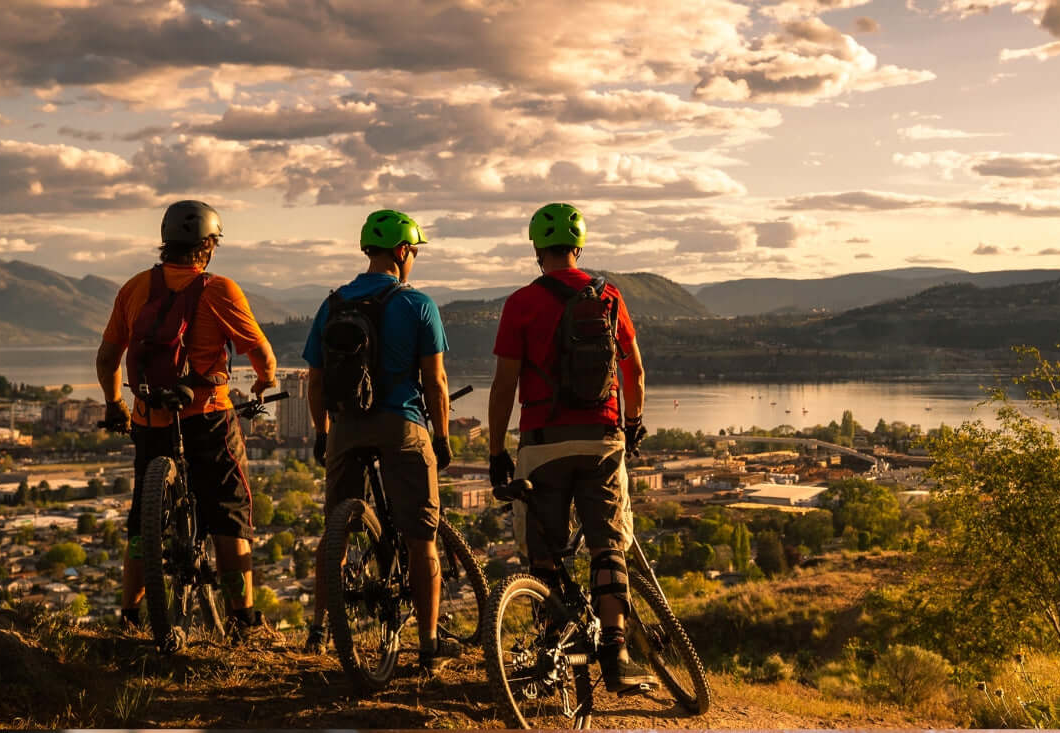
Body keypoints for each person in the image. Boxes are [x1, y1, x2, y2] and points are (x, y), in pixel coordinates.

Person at [487, 203, 655, 693]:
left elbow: (503, 386)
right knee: (607, 544)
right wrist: (634, 423)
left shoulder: (521, 302)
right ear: (579, 246)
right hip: (602, 439)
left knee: (544, 551)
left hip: (541, 443)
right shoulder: (609, 298)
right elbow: (635, 373)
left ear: (537, 249)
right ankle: (617, 655)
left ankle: (550, 654)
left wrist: (498, 449)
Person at [95, 200, 278, 642]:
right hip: (208, 419)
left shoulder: (135, 288)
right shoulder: (220, 290)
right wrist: (263, 383)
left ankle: (129, 615)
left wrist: (114, 404)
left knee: (144, 519)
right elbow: (263, 356)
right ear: (208, 247)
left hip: (150, 418)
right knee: (229, 515)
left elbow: (107, 358)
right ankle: (244, 620)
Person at [301, 209, 458, 675]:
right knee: (421, 539)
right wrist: (443, 437)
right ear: (403, 252)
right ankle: (428, 646)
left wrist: (322, 433)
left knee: (336, 531)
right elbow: (436, 380)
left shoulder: (333, 305)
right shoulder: (418, 305)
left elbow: (315, 380)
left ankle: (317, 630)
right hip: (402, 425)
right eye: (414, 252)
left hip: (346, 428)